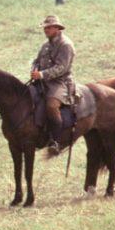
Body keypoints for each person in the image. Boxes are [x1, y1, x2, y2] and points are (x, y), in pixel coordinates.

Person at [31, 15, 76, 153]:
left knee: (51, 105)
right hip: (43, 80)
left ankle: (55, 141)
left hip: (60, 82)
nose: (46, 30)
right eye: (45, 28)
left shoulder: (65, 45)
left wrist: (42, 74)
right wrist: (34, 69)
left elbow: (62, 67)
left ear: (57, 28)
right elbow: (36, 61)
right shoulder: (46, 45)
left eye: (49, 28)